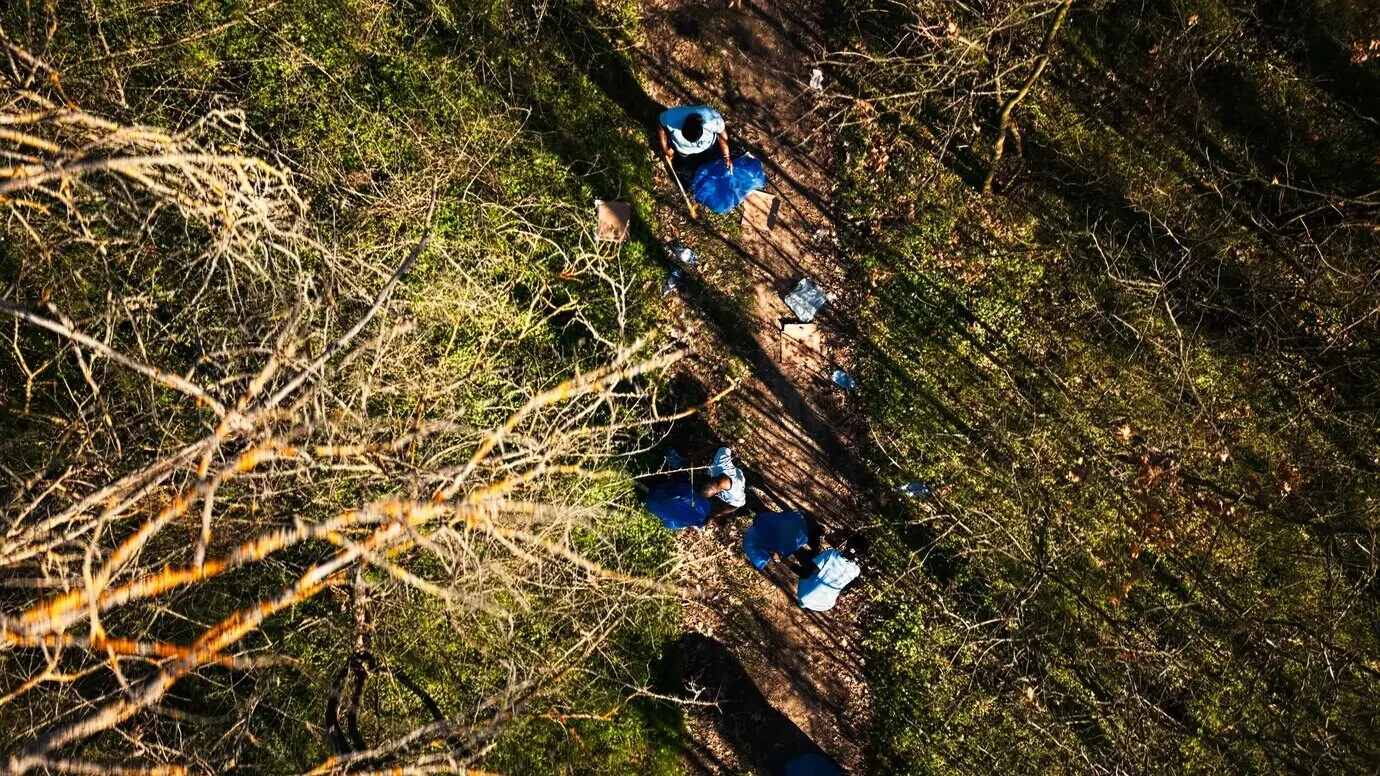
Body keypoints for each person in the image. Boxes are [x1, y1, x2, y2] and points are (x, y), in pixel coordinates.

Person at [658, 104, 733, 172]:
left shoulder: (712, 118)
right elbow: (661, 129)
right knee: (686, 168)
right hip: (684, 151)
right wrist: (665, 150)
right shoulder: (670, 118)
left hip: (709, 146)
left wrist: (726, 157)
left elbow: (722, 136)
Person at [645, 476, 733, 529]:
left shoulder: (703, 514)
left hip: (660, 496)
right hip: (657, 500)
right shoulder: (702, 517)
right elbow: (672, 523)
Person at [796, 541, 861, 612]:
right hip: (825, 605)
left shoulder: (832, 553)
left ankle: (803, 602)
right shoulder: (856, 571)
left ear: (847, 544)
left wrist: (786, 561)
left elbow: (808, 572)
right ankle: (807, 604)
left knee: (811, 566)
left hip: (804, 595)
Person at [706, 446, 746, 519]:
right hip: (735, 474)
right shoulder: (719, 464)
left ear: (718, 491)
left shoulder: (735, 496)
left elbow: (736, 506)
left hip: (739, 482)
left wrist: (715, 515)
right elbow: (724, 446)